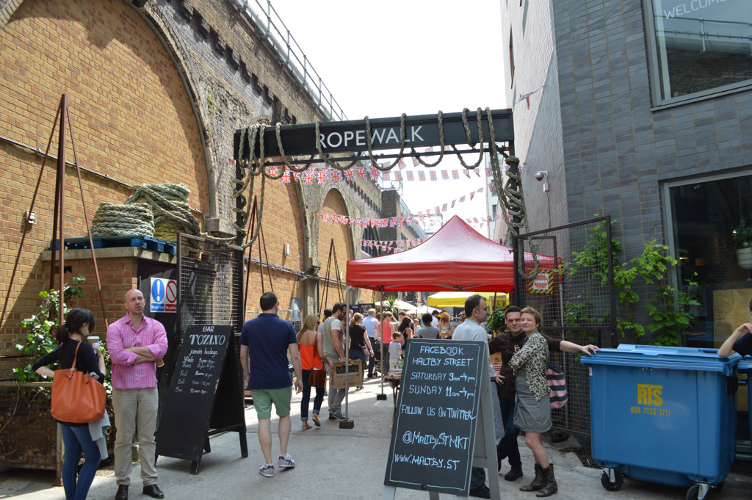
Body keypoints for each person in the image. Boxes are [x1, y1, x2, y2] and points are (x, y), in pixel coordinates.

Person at [489, 305, 599, 482]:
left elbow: (558, 344)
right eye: (512, 320)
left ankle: (497, 456)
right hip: (506, 392)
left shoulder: (534, 338)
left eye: (521, 319)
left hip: (527, 396)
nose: (517, 323)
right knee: (512, 435)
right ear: (506, 323)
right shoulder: (501, 339)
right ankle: (517, 467)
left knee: (512, 432)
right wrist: (491, 371)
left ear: (534, 323)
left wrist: (580, 347)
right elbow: (484, 351)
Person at [33, 308, 106, 500]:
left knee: (71, 459)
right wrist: (100, 358)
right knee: (93, 458)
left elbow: (37, 366)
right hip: (80, 412)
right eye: (90, 325)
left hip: (63, 411)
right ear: (83, 326)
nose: (90, 329)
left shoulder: (64, 346)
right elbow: (99, 379)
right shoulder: (84, 347)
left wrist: (59, 377)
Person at [107, 289, 167, 500]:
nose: (138, 302)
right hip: (123, 389)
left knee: (148, 438)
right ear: (126, 304)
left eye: (140, 298)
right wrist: (146, 355)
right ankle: (123, 483)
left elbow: (161, 350)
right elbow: (116, 356)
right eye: (133, 299)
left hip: (149, 388)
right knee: (123, 438)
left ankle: (150, 482)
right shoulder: (115, 328)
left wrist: (132, 350)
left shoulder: (156, 326)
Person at [240, 292, 303, 477]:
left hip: (258, 380)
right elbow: (295, 355)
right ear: (277, 305)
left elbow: (243, 355)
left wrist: (247, 375)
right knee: (284, 415)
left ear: (261, 306)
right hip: (281, 379)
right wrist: (299, 378)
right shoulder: (287, 326)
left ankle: (268, 465)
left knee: (263, 420)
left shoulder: (249, 326)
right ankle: (283, 455)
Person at [452, 294, 504, 499]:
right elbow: (482, 362)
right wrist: (493, 376)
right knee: (487, 432)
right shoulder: (479, 332)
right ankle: (477, 482)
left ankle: (472, 479)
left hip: (462, 385)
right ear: (476, 311)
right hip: (479, 386)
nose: (488, 312)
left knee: (469, 433)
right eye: (485, 309)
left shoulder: (459, 330)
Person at [510, 307, 557, 497]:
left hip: (535, 396)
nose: (524, 322)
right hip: (527, 395)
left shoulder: (536, 339)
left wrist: (514, 359)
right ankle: (540, 479)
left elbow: (516, 361)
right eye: (522, 319)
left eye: (529, 320)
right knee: (534, 440)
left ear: (537, 323)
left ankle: (551, 482)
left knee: (531, 440)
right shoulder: (529, 339)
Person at [297, 314, 329, 429]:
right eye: (317, 322)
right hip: (316, 368)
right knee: (320, 392)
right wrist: (329, 363)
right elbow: (321, 355)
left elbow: (296, 355)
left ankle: (304, 423)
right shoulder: (317, 335)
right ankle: (315, 413)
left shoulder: (299, 336)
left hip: (303, 369)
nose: (318, 324)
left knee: (305, 396)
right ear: (312, 323)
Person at [321, 302, 348, 421]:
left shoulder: (326, 321)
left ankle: (332, 410)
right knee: (345, 384)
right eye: (344, 312)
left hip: (329, 356)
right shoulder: (336, 322)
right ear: (338, 311)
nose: (345, 315)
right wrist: (342, 356)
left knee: (333, 384)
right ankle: (335, 408)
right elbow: (335, 340)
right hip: (335, 357)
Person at [349, 312, 373, 390]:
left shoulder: (350, 328)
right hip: (361, 350)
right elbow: (366, 339)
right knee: (361, 367)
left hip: (352, 350)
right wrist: (371, 349)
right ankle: (360, 384)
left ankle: (355, 382)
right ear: (359, 319)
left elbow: (348, 340)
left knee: (354, 367)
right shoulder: (362, 328)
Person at [362, 308, 379, 377]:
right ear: (373, 314)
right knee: (372, 356)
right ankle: (370, 373)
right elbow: (377, 330)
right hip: (371, 339)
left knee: (363, 356)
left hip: (363, 339)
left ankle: (362, 373)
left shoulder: (363, 320)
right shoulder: (375, 320)